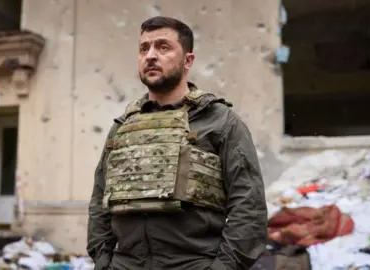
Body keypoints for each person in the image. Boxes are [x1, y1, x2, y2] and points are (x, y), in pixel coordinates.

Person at [87, 16, 267, 270]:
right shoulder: (123, 126)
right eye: (143, 48)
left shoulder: (220, 121)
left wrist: (224, 267)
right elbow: (99, 200)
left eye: (163, 47)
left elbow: (249, 206)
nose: (150, 55)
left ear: (188, 61)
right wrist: (104, 260)